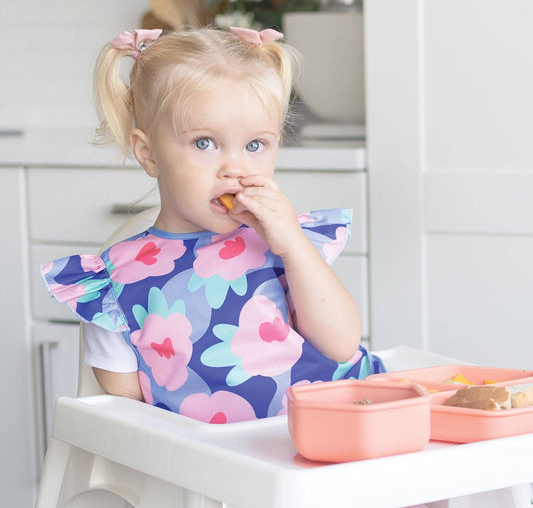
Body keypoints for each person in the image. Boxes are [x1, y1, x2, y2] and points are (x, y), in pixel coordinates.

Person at [41, 25, 385, 423]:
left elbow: (342, 345)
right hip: (220, 469)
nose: (236, 169)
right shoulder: (113, 283)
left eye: (255, 145)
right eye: (204, 143)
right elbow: (128, 408)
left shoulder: (280, 242)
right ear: (148, 153)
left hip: (346, 428)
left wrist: (293, 245)